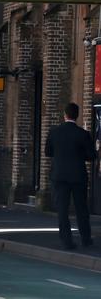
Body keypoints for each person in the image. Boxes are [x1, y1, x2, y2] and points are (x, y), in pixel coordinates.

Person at [45, 103, 94, 250]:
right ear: (77, 116)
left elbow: (48, 152)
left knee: (62, 209)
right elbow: (91, 155)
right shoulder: (83, 134)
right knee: (81, 208)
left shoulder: (54, 132)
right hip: (78, 176)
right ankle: (86, 238)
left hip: (59, 176)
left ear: (65, 115)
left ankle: (67, 241)